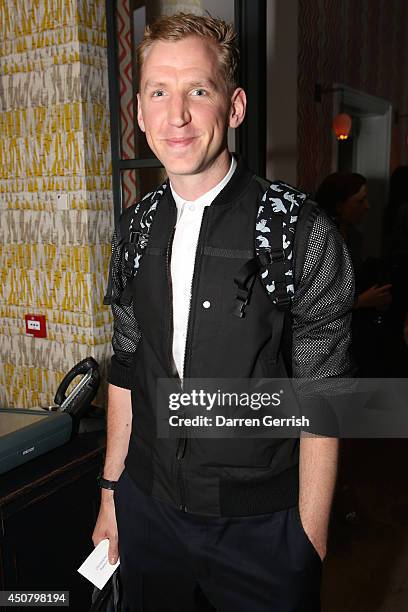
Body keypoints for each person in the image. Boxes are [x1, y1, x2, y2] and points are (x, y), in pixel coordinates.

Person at [92, 13, 354, 612]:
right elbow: (128, 369)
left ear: (233, 108)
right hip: (148, 510)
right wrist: (111, 495)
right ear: (139, 111)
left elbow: (326, 394)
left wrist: (307, 544)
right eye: (158, 91)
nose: (176, 115)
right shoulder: (134, 230)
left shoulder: (298, 230)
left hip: (261, 528)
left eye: (198, 91)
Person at [314, 172, 397, 377]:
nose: (367, 207)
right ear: (339, 205)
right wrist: (361, 301)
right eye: (360, 201)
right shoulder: (322, 237)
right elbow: (316, 300)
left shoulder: (354, 236)